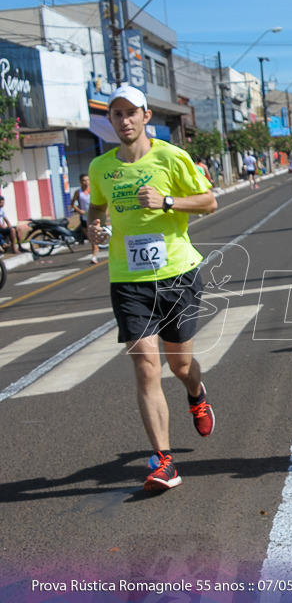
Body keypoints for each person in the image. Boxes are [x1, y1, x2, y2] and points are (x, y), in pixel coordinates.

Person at [85, 85, 217, 492]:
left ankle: (196, 394)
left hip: (176, 273)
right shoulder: (101, 168)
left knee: (179, 367)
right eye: (116, 113)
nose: (124, 120)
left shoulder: (171, 156)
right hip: (127, 278)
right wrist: (95, 226)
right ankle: (163, 461)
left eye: (130, 112)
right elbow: (97, 207)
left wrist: (166, 203)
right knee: (145, 366)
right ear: (110, 121)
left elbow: (208, 201)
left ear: (145, 116)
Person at [70, 173, 100, 264]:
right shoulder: (78, 192)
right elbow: (72, 204)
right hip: (84, 217)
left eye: (87, 180)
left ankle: (94, 256)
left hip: (94, 216)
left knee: (94, 237)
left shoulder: (93, 190)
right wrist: (79, 210)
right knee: (90, 238)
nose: (86, 182)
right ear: (80, 182)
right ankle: (95, 249)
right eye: (84, 180)